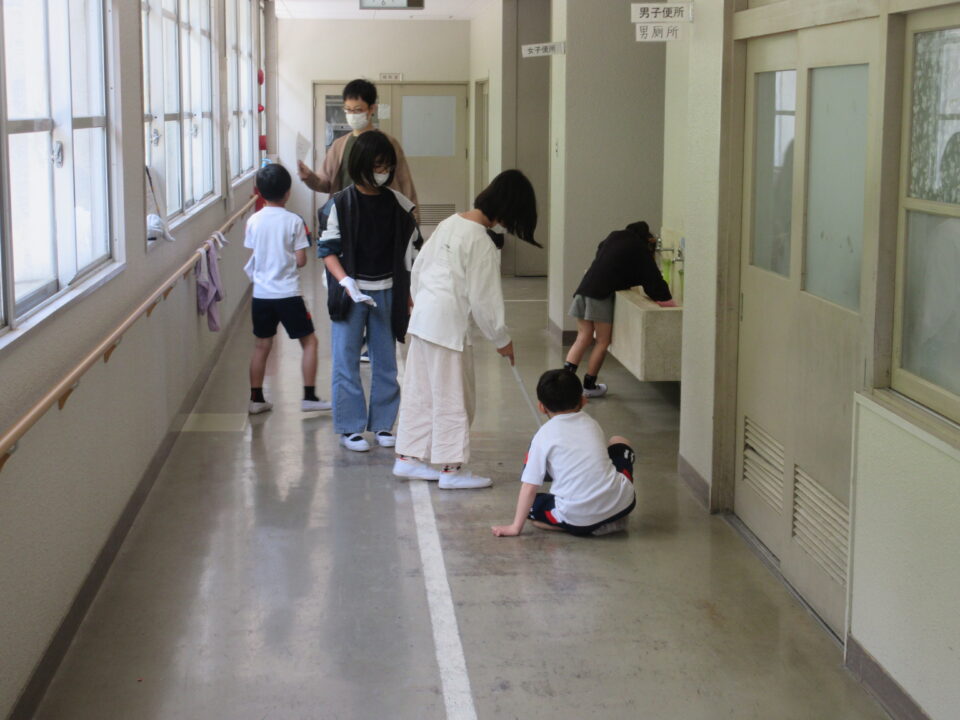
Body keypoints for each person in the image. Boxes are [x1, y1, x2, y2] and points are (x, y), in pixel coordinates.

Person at [392, 170, 538, 490]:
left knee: (421, 392)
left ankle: (408, 457)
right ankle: (451, 469)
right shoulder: (481, 241)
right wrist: (502, 339)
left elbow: (419, 267)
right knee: (454, 397)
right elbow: (484, 300)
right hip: (448, 327)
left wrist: (419, 302)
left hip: (423, 320)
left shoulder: (450, 222)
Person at [317, 130, 422, 452]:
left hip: (387, 291)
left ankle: (383, 424)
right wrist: (345, 282)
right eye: (377, 165)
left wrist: (409, 295)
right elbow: (327, 250)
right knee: (346, 360)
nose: (383, 172)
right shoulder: (339, 204)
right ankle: (350, 428)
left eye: (387, 166)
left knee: (386, 361)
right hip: (350, 294)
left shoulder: (400, 206)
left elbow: (412, 255)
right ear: (361, 164)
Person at [492, 369, 636, 537]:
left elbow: (529, 486)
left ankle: (581, 526)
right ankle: (610, 518)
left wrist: (515, 527)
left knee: (533, 508)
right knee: (619, 440)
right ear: (583, 400)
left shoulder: (542, 436)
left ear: (541, 407)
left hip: (577, 516)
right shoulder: (592, 423)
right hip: (622, 502)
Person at [244, 163, 331, 415]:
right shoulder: (294, 221)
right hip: (288, 294)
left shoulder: (253, 221)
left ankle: (256, 399)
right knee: (310, 342)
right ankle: (309, 397)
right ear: (288, 192)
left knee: (262, 346)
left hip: (261, 295)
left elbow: (256, 253)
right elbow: (301, 260)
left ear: (259, 192)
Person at [564, 220, 675, 398]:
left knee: (582, 338)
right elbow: (652, 277)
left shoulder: (613, 237)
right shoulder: (639, 247)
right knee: (602, 342)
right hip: (601, 296)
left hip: (584, 289)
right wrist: (666, 299)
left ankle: (563, 384)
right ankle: (589, 386)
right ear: (646, 238)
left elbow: (608, 261)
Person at [297, 78, 418, 216]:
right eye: (348, 110)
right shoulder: (339, 145)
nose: (352, 115)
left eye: (358, 110)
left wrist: (413, 218)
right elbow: (325, 183)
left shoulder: (388, 143)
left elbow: (405, 185)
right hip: (346, 215)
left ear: (372, 109)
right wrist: (309, 177)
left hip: (382, 215)